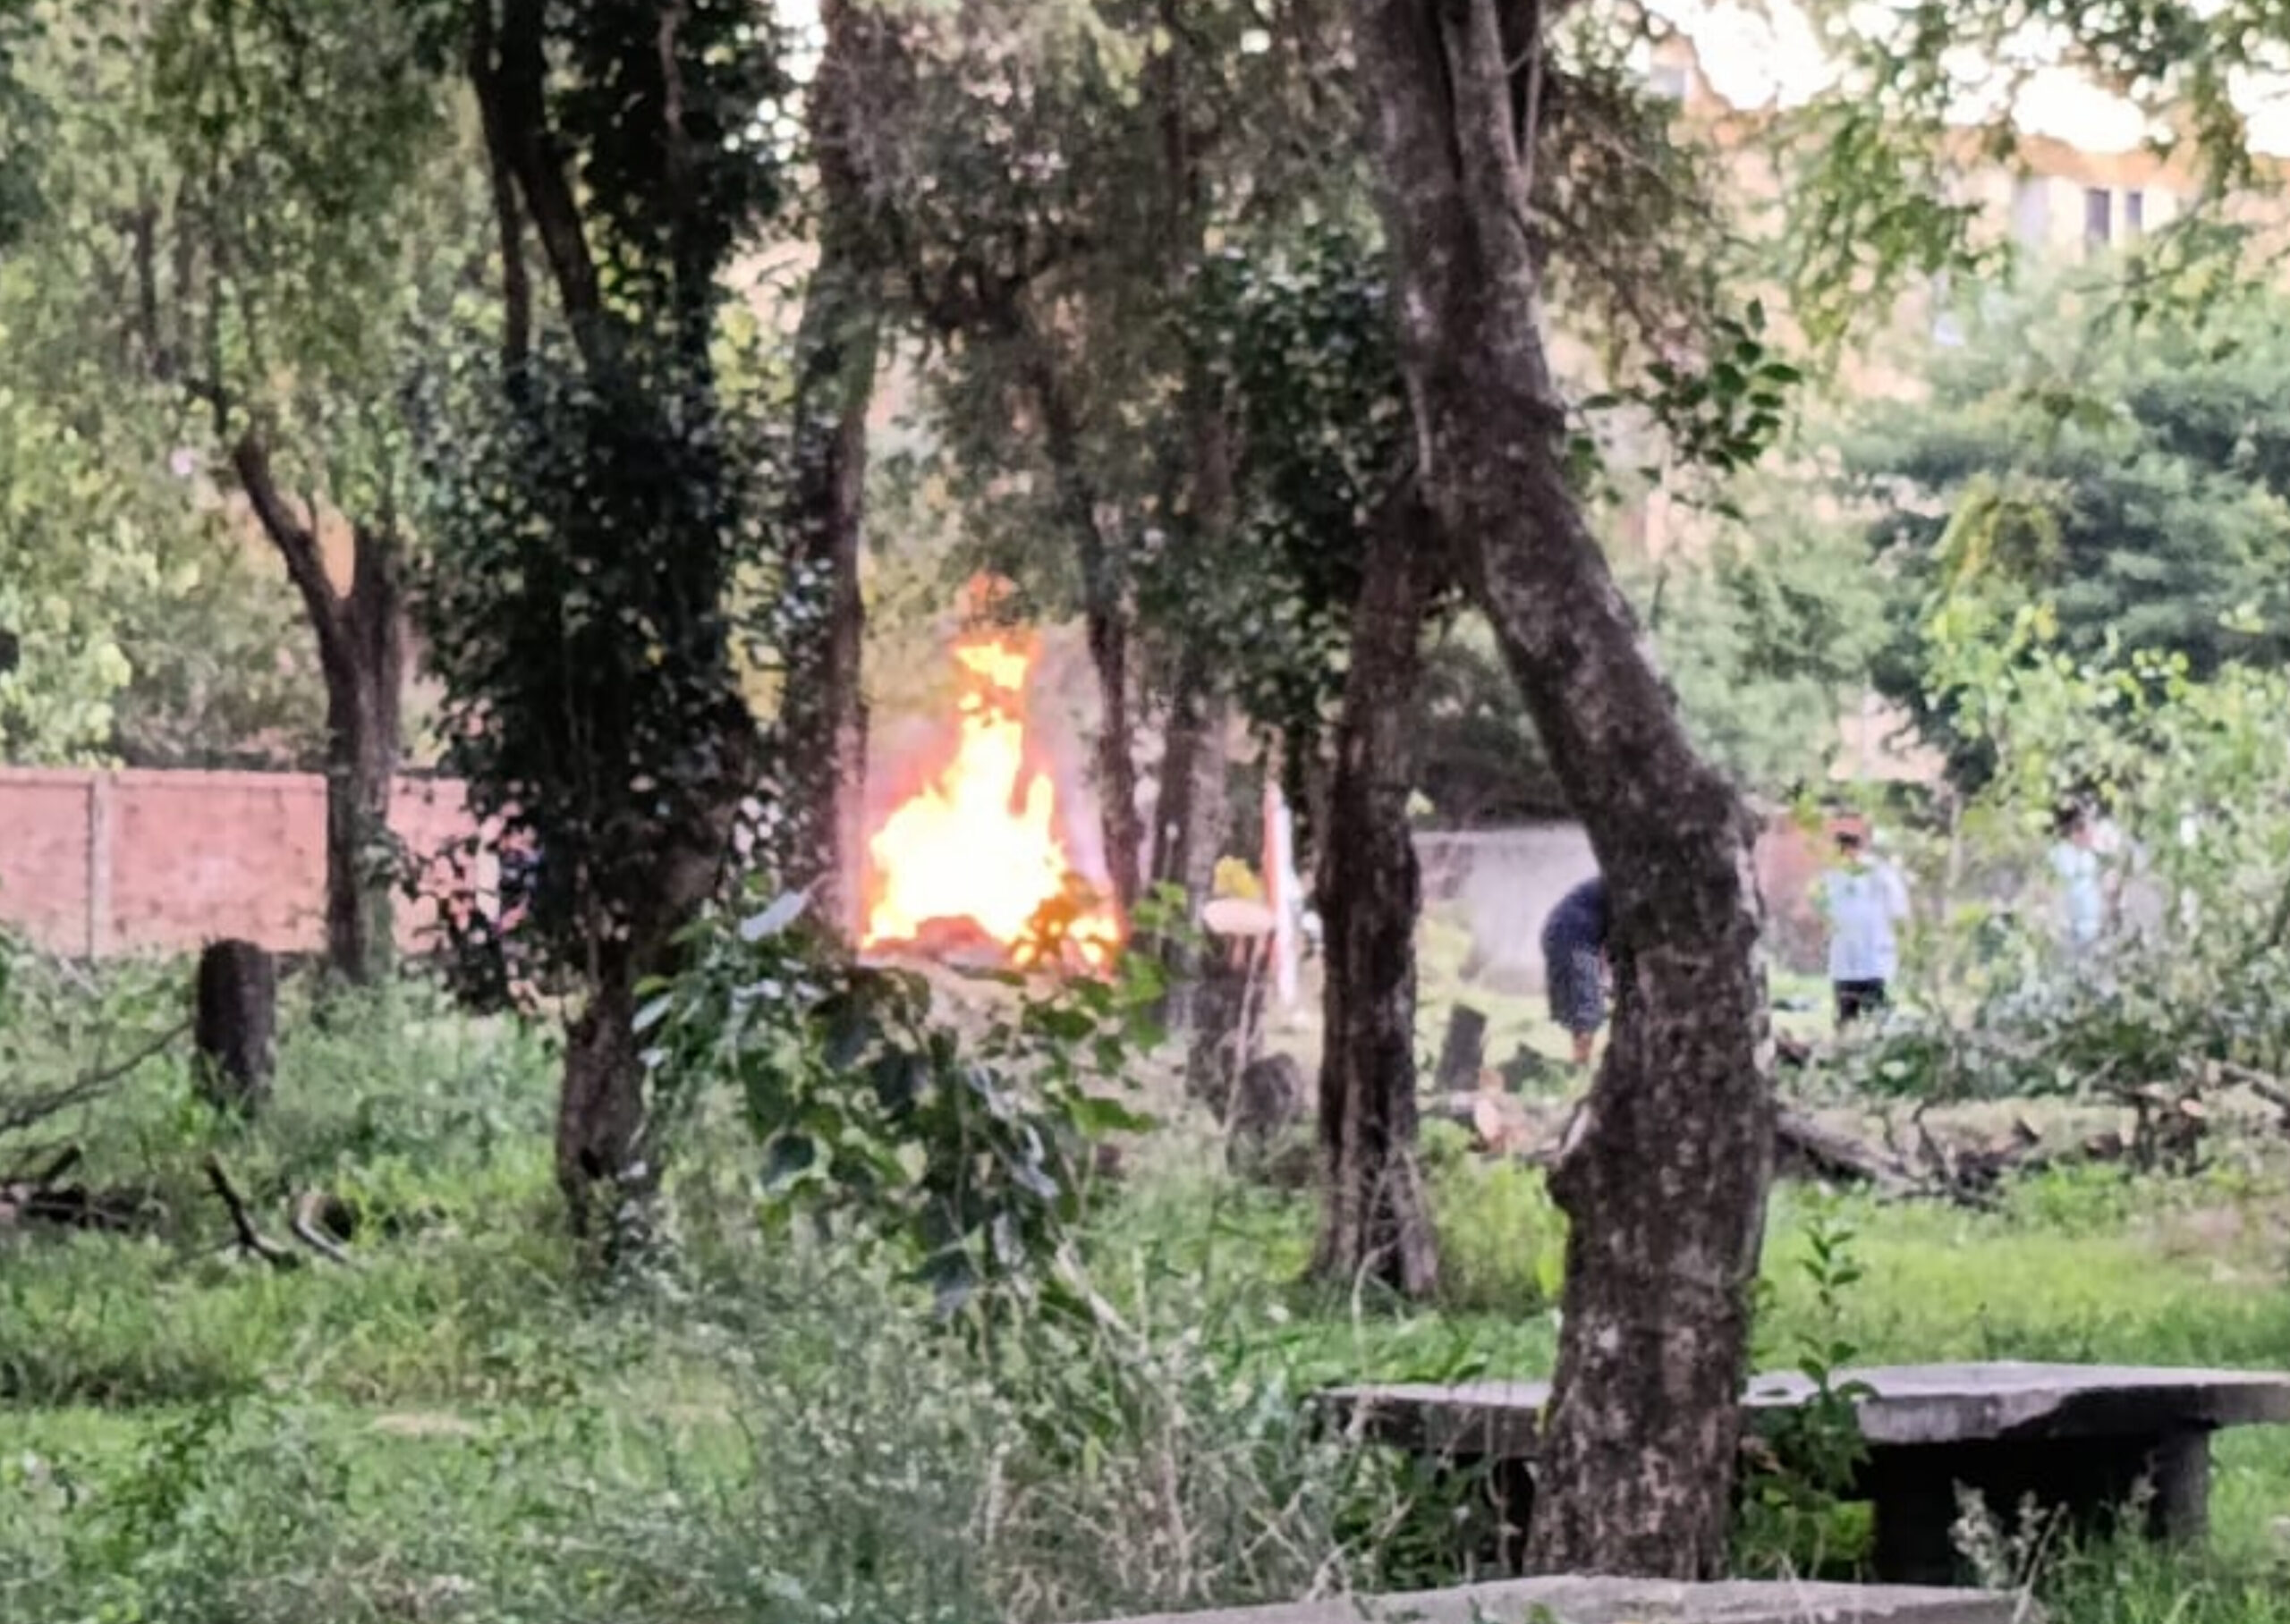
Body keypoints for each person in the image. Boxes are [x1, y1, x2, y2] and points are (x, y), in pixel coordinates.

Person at [1813, 822, 1909, 1028]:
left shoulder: (1878, 871)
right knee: (1846, 999)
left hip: (1872, 944)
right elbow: (1825, 904)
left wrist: (1899, 928)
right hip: (1845, 947)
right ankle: (1846, 1034)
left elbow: (1897, 904)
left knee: (1874, 996)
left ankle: (1880, 1031)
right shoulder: (1834, 874)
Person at [1539, 875, 1610, 1067]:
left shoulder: (1607, 885)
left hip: (1559, 932)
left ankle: (1580, 1060)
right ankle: (1580, 1062)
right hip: (1575, 936)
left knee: (1581, 1007)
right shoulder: (1623, 887)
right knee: (1585, 1008)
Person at [2049, 803, 2106, 952]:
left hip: (2092, 932)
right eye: (2089, 827)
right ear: (2075, 832)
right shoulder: (2060, 857)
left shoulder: (2089, 857)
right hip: (2070, 933)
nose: (2093, 832)